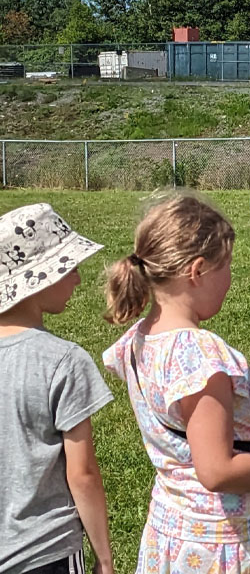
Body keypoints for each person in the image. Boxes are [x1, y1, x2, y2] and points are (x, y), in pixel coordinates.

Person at [102, 194, 250, 574]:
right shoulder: (200, 355)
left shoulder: (140, 339)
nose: (230, 278)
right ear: (197, 271)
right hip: (224, 544)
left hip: (173, 532)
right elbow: (216, 470)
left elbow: (192, 423)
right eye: (225, 266)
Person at [0, 203, 114, 574]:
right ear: (40, 279)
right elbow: (82, 475)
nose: (78, 279)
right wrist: (105, 559)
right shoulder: (64, 360)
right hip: (46, 551)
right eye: (70, 267)